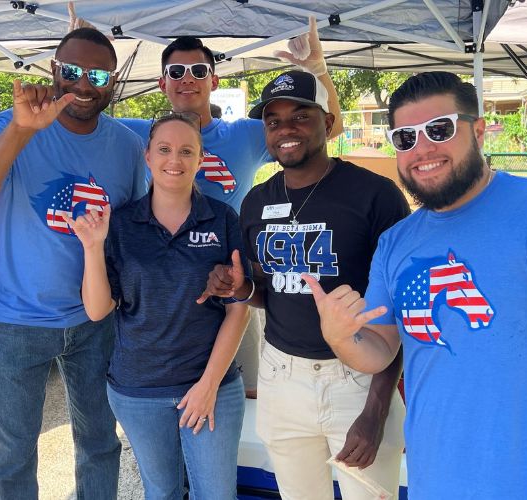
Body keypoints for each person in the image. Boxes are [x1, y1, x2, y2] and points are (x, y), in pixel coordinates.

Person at [304, 71, 527, 499]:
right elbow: (379, 349)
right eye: (405, 138)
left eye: (439, 129)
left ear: (479, 130)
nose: (422, 148)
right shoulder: (397, 241)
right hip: (436, 480)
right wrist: (339, 337)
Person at [69, 4, 344, 398]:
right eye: (175, 72)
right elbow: (79, 114)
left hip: (231, 286)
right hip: (162, 295)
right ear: (162, 83)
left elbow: (326, 129)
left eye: (198, 71)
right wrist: (84, 53)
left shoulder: (245, 135)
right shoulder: (138, 134)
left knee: (240, 395)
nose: (187, 80)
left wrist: (317, 70)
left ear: (213, 81)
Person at [0, 28, 147, 500]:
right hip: (16, 317)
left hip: (94, 319)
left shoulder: (124, 145)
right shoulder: (8, 126)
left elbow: (135, 229)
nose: (84, 84)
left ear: (112, 82)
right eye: (72, 71)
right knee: (14, 450)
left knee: (99, 441)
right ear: (54, 71)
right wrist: (20, 130)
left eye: (98, 74)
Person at [199, 70, 409, 499]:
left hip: (358, 378)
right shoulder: (256, 202)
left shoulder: (375, 195)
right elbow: (268, 291)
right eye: (273, 121)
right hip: (282, 377)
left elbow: (400, 310)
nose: (285, 130)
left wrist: (376, 411)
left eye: (300, 116)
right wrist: (239, 288)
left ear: (327, 122)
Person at [66, 112, 250, 499]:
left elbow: (238, 308)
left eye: (187, 151)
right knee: (161, 492)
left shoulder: (221, 219)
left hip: (211, 385)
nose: (175, 160)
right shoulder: (120, 224)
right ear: (147, 156)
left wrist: (208, 385)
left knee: (216, 495)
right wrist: (92, 248)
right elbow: (98, 310)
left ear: (201, 160)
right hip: (139, 391)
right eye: (164, 149)